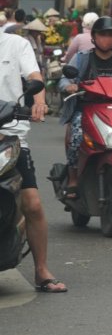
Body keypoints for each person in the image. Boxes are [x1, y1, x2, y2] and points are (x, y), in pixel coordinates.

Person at [0, 19, 64, 292]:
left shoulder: (17, 44)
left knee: (33, 203)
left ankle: (41, 271)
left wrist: (38, 103)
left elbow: (34, 78)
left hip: (10, 136)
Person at [59, 15, 112, 203]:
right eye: (103, 34)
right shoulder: (82, 58)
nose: (107, 39)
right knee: (76, 135)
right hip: (87, 109)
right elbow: (64, 79)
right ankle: (73, 179)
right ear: (94, 37)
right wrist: (69, 86)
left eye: (111, 35)